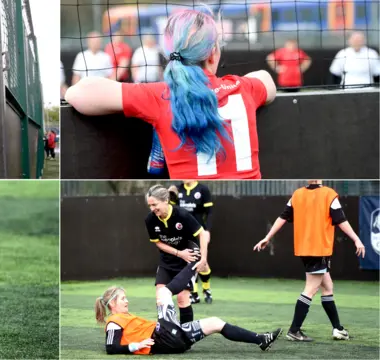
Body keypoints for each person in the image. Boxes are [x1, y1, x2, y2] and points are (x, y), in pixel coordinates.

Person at [65, 8, 277, 179]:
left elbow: (77, 93)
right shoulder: (243, 88)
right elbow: (266, 80)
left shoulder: (160, 96)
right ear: (213, 54)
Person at [254, 180, 366, 342]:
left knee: (327, 287)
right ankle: (294, 330)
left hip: (304, 249)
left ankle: (338, 329)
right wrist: (356, 239)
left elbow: (282, 217)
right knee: (311, 289)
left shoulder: (297, 195)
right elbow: (341, 220)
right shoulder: (329, 194)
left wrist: (267, 237)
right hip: (318, 249)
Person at [95, 262, 281, 355]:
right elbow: (111, 348)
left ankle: (261, 339)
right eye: (122, 299)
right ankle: (195, 264)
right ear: (112, 304)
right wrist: (137, 346)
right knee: (164, 293)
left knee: (215, 322)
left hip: (175, 340)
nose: (126, 301)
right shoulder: (113, 322)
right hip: (163, 339)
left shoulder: (126, 317)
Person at [145, 185, 210, 324]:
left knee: (182, 298)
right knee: (160, 297)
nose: (152, 209)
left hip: (187, 262)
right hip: (167, 261)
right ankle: (165, 333)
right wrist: (179, 253)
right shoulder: (150, 219)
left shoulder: (182, 215)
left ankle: (187, 335)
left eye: (154, 204)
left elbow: (202, 234)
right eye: (149, 205)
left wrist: (203, 259)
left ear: (165, 200)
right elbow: (158, 243)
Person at [174, 180, 214, 304]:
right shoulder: (177, 189)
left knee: (203, 263)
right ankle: (194, 293)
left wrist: (207, 230)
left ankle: (206, 289)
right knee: (190, 261)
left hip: (198, 231)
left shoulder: (203, 189)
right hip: (183, 231)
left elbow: (210, 212)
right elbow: (171, 208)